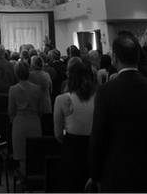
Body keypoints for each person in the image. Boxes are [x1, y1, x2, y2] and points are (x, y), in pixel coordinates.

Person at [88, 32, 147, 192]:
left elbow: (98, 137)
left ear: (114, 58)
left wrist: (95, 174)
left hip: (119, 173)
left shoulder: (106, 92)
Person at [53, 59, 96, 193]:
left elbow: (58, 134)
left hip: (72, 149)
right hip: (93, 149)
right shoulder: (99, 96)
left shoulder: (62, 99)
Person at [8, 61, 51, 174]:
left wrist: (13, 119)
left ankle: (24, 179)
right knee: (35, 152)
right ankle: (34, 179)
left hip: (19, 122)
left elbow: (11, 110)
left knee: (21, 154)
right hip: (34, 122)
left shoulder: (13, 89)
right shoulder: (37, 89)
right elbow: (41, 109)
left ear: (16, 74)